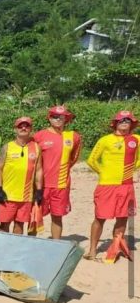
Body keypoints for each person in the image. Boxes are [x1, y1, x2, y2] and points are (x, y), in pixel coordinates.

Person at [85, 110, 139, 261]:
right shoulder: (105, 140)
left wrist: (132, 168)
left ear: (132, 123)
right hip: (106, 186)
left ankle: (115, 249)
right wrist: (103, 173)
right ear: (115, 123)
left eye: (128, 120)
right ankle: (92, 250)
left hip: (126, 185)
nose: (124, 123)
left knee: (122, 218)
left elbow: (138, 159)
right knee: (100, 217)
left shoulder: (137, 139)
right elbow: (91, 160)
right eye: (121, 120)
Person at [34, 105, 82, 239]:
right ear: (49, 118)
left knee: (57, 216)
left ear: (66, 119)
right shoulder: (39, 136)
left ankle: (56, 244)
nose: (58, 119)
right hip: (41, 185)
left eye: (61, 117)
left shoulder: (73, 137)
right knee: (35, 216)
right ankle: (31, 243)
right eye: (54, 116)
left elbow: (73, 159)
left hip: (61, 185)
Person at [0, 117, 43, 234]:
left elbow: (39, 170)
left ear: (31, 129)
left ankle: (15, 249)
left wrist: (39, 190)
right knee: (4, 223)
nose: (23, 128)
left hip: (26, 195)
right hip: (8, 195)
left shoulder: (36, 148)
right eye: (20, 126)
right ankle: (2, 247)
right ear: (15, 129)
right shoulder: (7, 147)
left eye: (27, 126)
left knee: (20, 224)